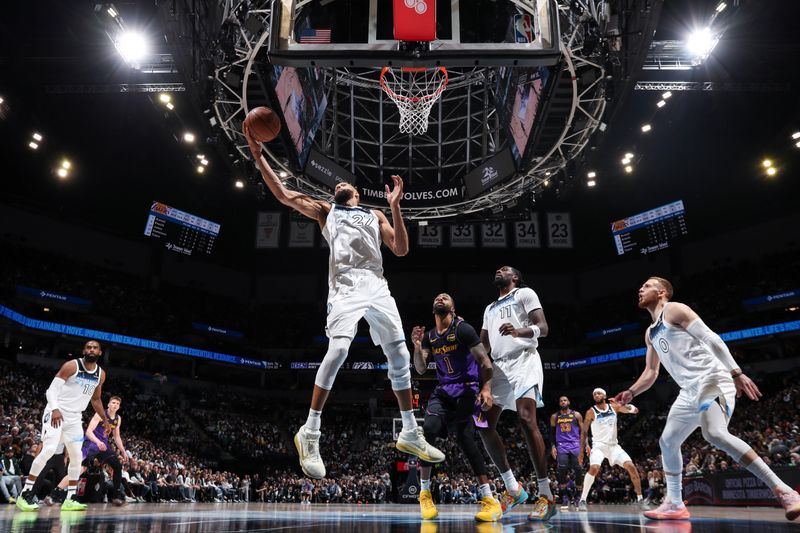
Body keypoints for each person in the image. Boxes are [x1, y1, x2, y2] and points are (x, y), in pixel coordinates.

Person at [243, 123, 444, 478]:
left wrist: (395, 206)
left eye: (342, 183)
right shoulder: (326, 211)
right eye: (335, 185)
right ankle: (311, 431)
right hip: (346, 287)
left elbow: (399, 249)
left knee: (399, 355)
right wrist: (259, 156)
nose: (338, 185)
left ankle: (411, 432)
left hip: (378, 286)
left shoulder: (375, 213)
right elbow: (285, 195)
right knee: (337, 351)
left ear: (355, 192)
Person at [613, 276, 800, 521]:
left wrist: (736, 372)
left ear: (662, 292)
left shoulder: (675, 309)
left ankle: (785, 491)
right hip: (688, 391)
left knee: (714, 434)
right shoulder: (650, 333)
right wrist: (632, 392)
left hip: (712, 378)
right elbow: (651, 372)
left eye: (647, 285)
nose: (640, 288)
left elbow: (710, 338)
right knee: (668, 442)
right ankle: (675, 504)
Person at [411, 293, 502, 522]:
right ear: (433, 309)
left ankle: (490, 499)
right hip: (443, 390)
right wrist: (416, 346)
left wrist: (487, 389)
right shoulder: (431, 336)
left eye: (446, 297)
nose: (441, 298)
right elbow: (421, 369)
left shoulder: (463, 329)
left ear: (453, 308)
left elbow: (485, 362)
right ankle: (425, 493)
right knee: (429, 429)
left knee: (464, 437)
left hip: (467, 389)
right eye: (437, 297)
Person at [477, 266, 555, 521]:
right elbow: (483, 347)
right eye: (498, 269)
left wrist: (518, 331)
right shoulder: (489, 309)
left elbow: (542, 327)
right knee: (483, 423)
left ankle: (546, 495)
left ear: (515, 277)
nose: (499, 270)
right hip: (498, 366)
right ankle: (513, 488)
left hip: (524, 360)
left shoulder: (525, 294)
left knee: (525, 418)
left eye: (506, 269)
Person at [16, 340, 111, 512]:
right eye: (88, 347)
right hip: (56, 412)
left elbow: (96, 399)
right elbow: (51, 391)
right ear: (84, 350)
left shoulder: (100, 374)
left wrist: (104, 419)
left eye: (94, 348)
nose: (91, 349)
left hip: (75, 418)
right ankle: (25, 494)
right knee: (49, 449)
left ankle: (70, 498)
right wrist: (55, 409)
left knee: (76, 457)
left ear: (100, 353)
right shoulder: (71, 366)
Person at [577, 388, 644, 510]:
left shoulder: (614, 407)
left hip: (614, 446)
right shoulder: (591, 412)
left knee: (631, 467)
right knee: (594, 468)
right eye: (594, 394)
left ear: (605, 395)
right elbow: (584, 433)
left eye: (599, 393)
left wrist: (623, 404)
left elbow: (635, 410)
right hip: (599, 446)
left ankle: (640, 499)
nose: (596, 395)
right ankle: (582, 500)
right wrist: (581, 451)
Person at [81, 396, 128, 506]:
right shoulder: (100, 414)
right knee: (82, 468)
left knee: (117, 466)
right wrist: (97, 442)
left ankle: (115, 496)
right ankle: (63, 492)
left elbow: (116, 437)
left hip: (103, 446)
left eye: (117, 403)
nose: (115, 405)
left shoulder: (118, 418)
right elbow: (88, 432)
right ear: (108, 404)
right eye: (113, 402)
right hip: (91, 443)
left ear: (119, 407)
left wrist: (123, 451)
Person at [550, 396, 584, 508]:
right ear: (559, 403)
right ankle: (565, 496)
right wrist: (553, 446)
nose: (563, 402)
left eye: (565, 400)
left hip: (575, 444)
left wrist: (586, 445)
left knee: (579, 470)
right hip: (562, 445)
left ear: (568, 402)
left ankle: (578, 496)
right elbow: (552, 433)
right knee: (562, 470)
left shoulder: (577, 415)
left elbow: (583, 431)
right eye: (561, 401)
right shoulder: (555, 417)